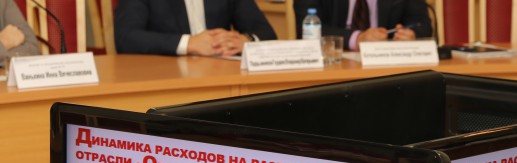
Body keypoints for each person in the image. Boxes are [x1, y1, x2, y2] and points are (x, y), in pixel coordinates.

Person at [114, 0, 277, 57]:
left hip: (221, 76)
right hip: (166, 79)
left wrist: (244, 41)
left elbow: (265, 32)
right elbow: (126, 37)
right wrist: (189, 43)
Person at [293, 0, 432, 51]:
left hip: (386, 68)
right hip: (332, 66)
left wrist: (411, 35)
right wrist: (357, 39)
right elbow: (306, 28)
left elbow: (422, 24)